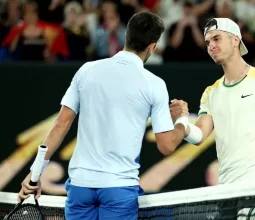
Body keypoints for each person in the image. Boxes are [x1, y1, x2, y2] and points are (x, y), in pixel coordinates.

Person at [17, 12, 189, 220]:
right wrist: (182, 120)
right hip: (118, 189)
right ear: (152, 47)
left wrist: (34, 175)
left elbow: (61, 124)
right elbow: (167, 145)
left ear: (127, 36)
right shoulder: (154, 84)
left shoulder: (87, 70)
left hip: (81, 186)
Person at [170, 18, 255, 219]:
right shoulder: (211, 93)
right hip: (226, 193)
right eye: (208, 42)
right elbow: (199, 135)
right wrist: (182, 121)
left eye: (216, 39)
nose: (211, 46)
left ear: (235, 40)